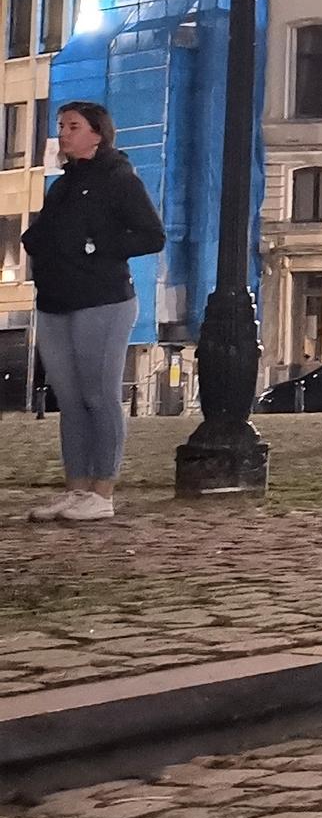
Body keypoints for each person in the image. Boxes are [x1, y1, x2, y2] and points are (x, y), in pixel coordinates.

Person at [24, 103, 166, 521]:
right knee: (68, 399)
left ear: (97, 134)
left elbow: (151, 235)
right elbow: (48, 231)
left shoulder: (118, 179)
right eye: (61, 126)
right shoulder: (64, 184)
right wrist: (38, 243)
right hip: (55, 300)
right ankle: (76, 489)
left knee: (98, 396)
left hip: (102, 300)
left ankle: (102, 492)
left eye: (73, 127)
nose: (63, 134)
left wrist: (95, 245)